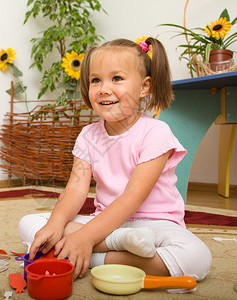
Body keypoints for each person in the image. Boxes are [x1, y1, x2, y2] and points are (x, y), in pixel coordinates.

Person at [19, 37, 212, 281]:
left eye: (117, 78)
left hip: (154, 224)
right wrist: (56, 223)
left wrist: (86, 237)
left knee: (197, 258)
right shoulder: (88, 135)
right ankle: (113, 243)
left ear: (144, 87)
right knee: (31, 223)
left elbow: (134, 196)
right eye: (95, 80)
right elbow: (75, 188)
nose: (103, 88)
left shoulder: (156, 132)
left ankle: (91, 253)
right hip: (104, 222)